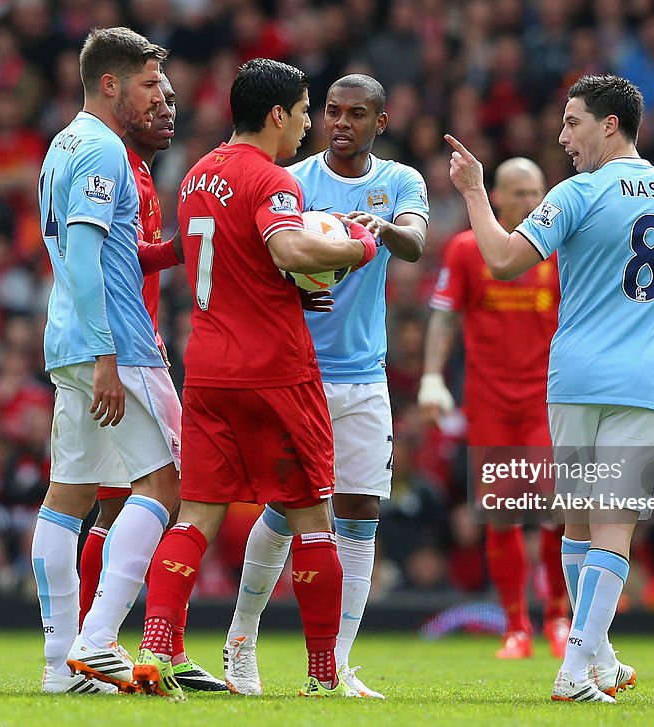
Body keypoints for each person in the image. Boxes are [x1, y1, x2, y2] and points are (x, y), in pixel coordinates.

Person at [446, 74, 654, 703]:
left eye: (573, 123)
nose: (564, 136)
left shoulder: (578, 193)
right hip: (645, 383)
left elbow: (505, 261)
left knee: (578, 524)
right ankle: (584, 662)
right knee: (612, 526)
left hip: (572, 378)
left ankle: (589, 661)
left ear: (609, 124)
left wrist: (475, 195)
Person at [130, 58, 379, 701]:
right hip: (276, 371)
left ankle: (156, 646)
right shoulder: (273, 182)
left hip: (208, 370)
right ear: (277, 115)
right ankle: (324, 676)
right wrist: (356, 245)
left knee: (196, 516)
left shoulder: (195, 176)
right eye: (302, 113)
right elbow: (290, 250)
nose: (306, 127)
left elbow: (184, 253)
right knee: (312, 518)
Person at [223, 73, 428, 699]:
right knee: (287, 508)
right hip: (297, 371)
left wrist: (377, 231)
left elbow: (416, 243)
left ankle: (336, 663)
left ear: (380, 122)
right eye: (332, 111)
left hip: (365, 375)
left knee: (361, 509)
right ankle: (240, 640)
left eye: (357, 114)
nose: (341, 122)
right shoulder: (294, 181)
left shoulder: (400, 183)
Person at [32, 27, 180, 695]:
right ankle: (98, 641)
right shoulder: (101, 149)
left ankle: (59, 665)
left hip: (66, 337)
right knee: (166, 484)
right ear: (112, 83)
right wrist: (107, 355)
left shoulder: (61, 144)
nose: (158, 96)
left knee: (68, 497)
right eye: (148, 83)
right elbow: (88, 259)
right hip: (111, 342)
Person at [72, 72, 225, 693]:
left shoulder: (130, 167)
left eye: (171, 104)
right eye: (156, 103)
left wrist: (177, 248)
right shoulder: (118, 165)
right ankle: (103, 641)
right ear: (121, 101)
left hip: (111, 346)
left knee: (112, 499)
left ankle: (94, 650)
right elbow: (106, 260)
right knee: (173, 490)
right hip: (126, 348)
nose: (169, 113)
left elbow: (132, 254)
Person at [418, 157, 571, 660]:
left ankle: (558, 618)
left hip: (547, 402)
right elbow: (443, 316)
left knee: (554, 510)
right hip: (490, 407)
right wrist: (433, 376)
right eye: (519, 193)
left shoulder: (560, 250)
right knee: (502, 515)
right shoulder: (468, 249)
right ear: (497, 197)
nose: (530, 202)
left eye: (536, 193)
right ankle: (515, 627)